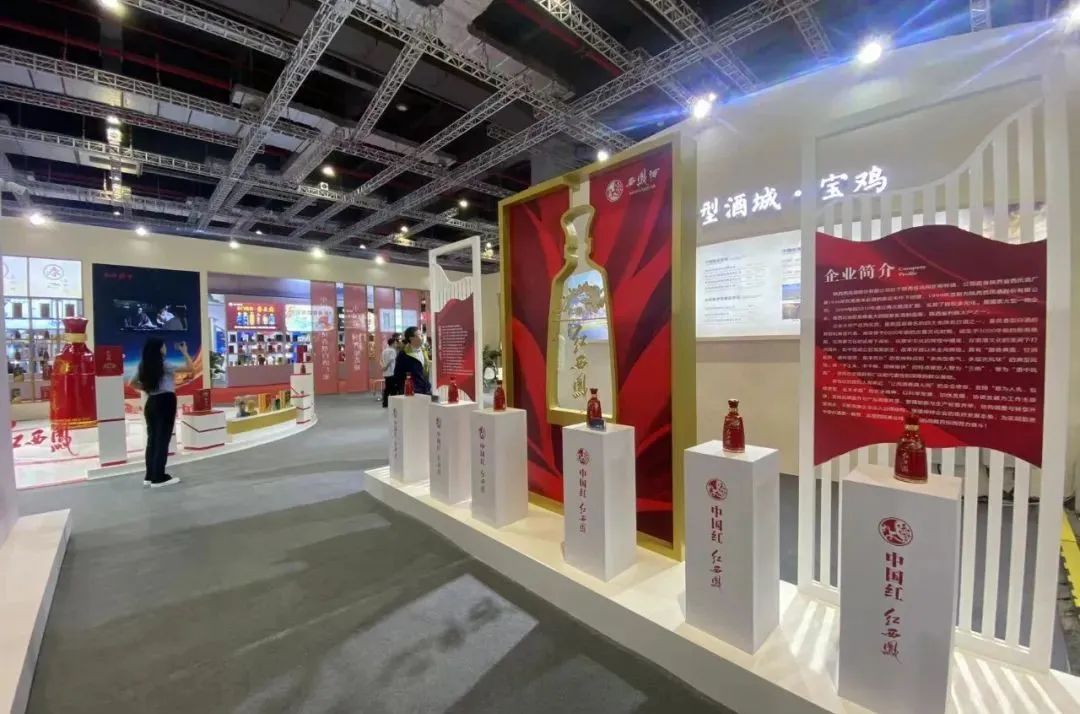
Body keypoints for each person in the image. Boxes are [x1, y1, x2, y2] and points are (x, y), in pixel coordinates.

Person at [130, 337, 194, 488]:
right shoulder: (165, 365)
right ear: (159, 349)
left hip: (151, 401)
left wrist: (148, 388)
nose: (165, 348)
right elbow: (190, 368)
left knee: (152, 439)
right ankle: (159, 477)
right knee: (162, 439)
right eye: (164, 346)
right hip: (166, 401)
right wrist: (184, 352)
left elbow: (132, 383)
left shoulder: (142, 365)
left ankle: (149, 475)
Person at [393, 326, 431, 395]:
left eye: (422, 335)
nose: (422, 337)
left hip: (426, 390)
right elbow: (398, 374)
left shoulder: (424, 351)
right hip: (412, 392)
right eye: (420, 335)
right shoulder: (404, 354)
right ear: (411, 338)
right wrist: (405, 389)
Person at [380, 332, 401, 408]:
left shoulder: (384, 350)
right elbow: (391, 360)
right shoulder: (392, 351)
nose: (396, 344)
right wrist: (386, 366)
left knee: (387, 389)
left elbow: (381, 360)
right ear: (392, 343)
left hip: (386, 373)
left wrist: (383, 367)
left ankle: (385, 403)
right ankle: (393, 404)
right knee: (393, 389)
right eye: (395, 343)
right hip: (392, 372)